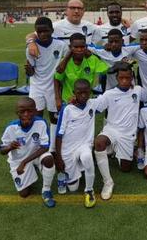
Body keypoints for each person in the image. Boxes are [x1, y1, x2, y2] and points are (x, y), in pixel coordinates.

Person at [93, 62, 147, 200]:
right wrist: (75, 101)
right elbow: (95, 106)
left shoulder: (138, 90)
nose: (124, 81)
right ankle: (108, 182)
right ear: (117, 78)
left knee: (125, 168)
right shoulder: (110, 94)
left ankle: (113, 149)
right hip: (112, 129)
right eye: (121, 78)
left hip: (128, 136)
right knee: (99, 142)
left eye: (127, 78)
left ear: (132, 78)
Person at [0, 97, 56, 207]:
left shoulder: (41, 123)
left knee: (49, 158)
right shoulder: (11, 128)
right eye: (22, 111)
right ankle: (30, 171)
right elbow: (1, 150)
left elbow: (45, 147)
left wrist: (24, 162)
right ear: (17, 113)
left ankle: (46, 190)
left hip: (36, 155)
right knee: (24, 194)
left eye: (30, 111)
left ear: (35, 111)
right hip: (18, 160)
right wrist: (9, 147)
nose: (26, 114)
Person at [25, 17, 69, 152]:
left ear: (52, 30)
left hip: (53, 87)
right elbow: (31, 73)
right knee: (37, 117)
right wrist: (29, 70)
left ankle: (53, 148)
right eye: (40, 32)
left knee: (54, 118)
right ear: (36, 32)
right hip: (37, 87)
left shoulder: (60, 45)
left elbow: (67, 60)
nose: (43, 34)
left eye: (46, 31)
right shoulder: (31, 48)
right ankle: (37, 146)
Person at [55, 79, 97, 208]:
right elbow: (58, 134)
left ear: (90, 92)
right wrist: (58, 157)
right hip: (68, 150)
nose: (83, 95)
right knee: (73, 188)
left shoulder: (93, 104)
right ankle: (63, 174)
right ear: (74, 93)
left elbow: (109, 97)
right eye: (80, 93)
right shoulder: (67, 109)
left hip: (84, 145)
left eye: (86, 92)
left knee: (87, 157)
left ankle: (89, 190)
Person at [26, 0, 99, 57]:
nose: (76, 11)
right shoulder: (56, 26)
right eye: (72, 8)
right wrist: (31, 43)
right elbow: (31, 35)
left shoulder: (90, 26)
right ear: (66, 10)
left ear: (83, 11)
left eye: (79, 8)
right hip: (63, 67)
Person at [54, 33, 108, 110]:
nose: (79, 50)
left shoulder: (92, 59)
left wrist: (92, 55)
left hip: (87, 101)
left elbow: (105, 70)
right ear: (70, 47)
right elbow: (57, 79)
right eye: (76, 47)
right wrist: (57, 99)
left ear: (86, 47)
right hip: (69, 101)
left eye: (82, 47)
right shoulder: (65, 62)